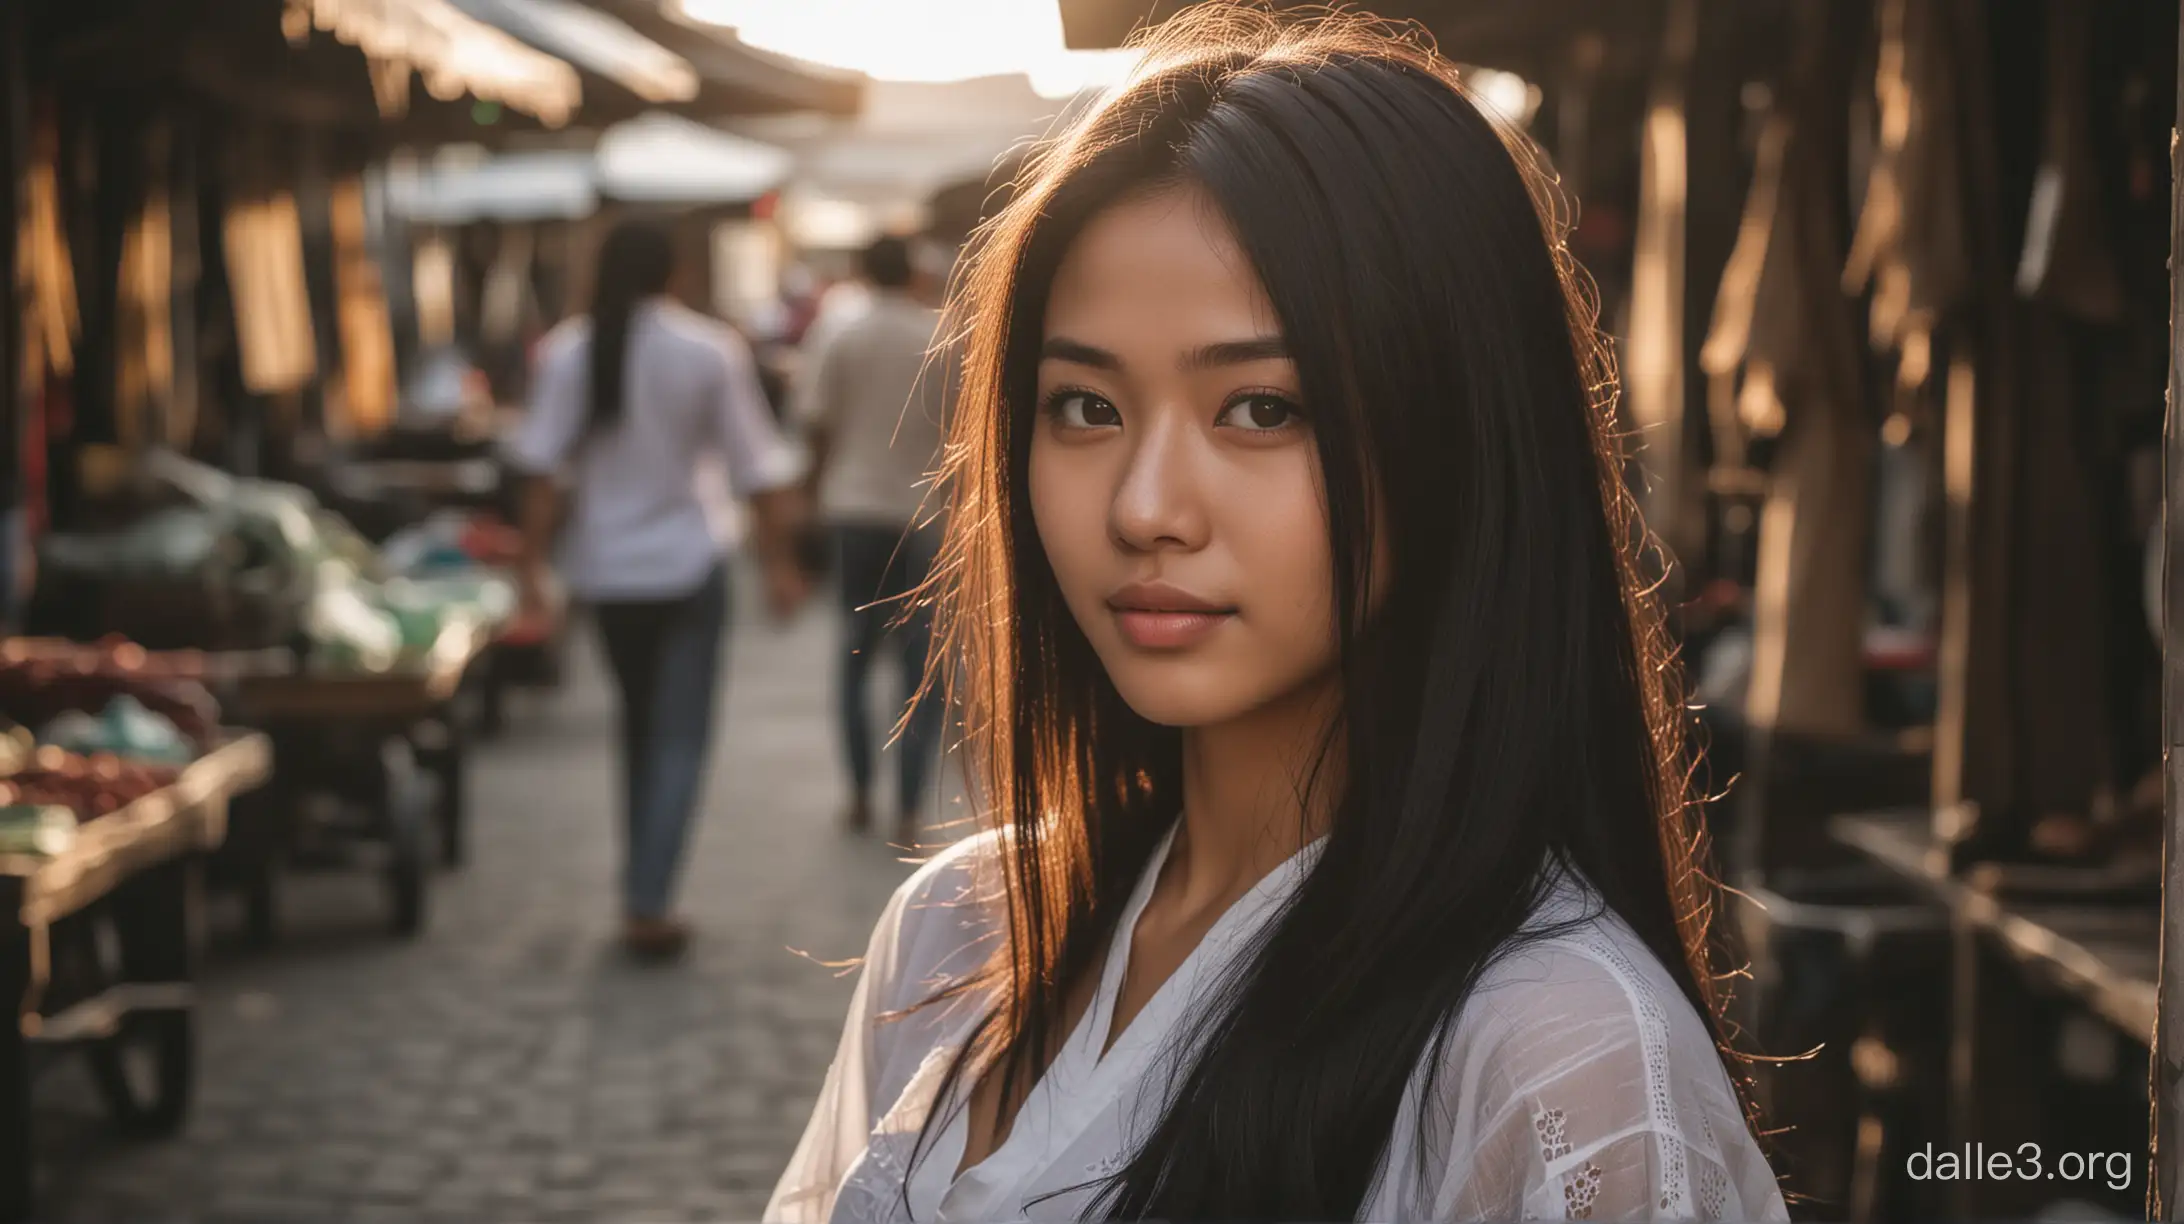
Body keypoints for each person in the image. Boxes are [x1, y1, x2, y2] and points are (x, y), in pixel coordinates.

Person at [766, 9, 1786, 1223]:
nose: (1146, 509)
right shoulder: (955, 935)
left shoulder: (1555, 1060)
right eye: (1085, 408)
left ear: (1457, 434)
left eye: (1261, 410)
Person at [506, 216, 809, 960]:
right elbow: (756, 470)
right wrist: (778, 563)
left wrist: (530, 568)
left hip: (608, 575)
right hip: (687, 567)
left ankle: (642, 885)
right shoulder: (707, 349)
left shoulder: (571, 350)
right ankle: (648, 900)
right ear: (675, 272)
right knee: (677, 736)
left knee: (640, 727)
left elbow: (540, 473)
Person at [793, 234, 954, 843]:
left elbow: (815, 424)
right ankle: (909, 808)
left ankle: (859, 792)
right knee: (921, 666)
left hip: (855, 510)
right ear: (912, 270)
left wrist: (809, 500)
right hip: (922, 516)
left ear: (861, 269)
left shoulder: (840, 333)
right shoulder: (937, 337)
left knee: (855, 654)